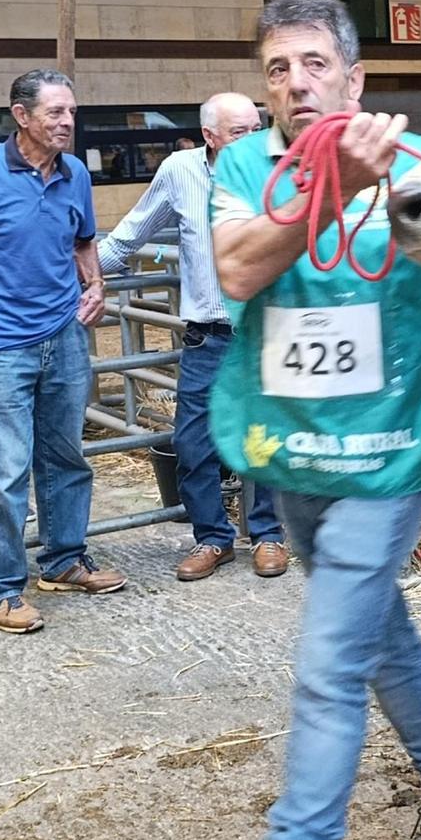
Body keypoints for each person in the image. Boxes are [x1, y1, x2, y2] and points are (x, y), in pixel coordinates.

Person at [199, 0, 421, 840]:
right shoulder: (242, 165)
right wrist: (330, 188)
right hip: (294, 456)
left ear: (353, 79)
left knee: (330, 663)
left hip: (388, 460)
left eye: (312, 64)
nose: (293, 82)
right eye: (276, 67)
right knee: (379, 641)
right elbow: (239, 269)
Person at [0, 69, 124, 635]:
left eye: (71, 113)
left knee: (65, 457)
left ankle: (62, 561)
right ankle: (1, 588)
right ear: (21, 115)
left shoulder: (76, 173)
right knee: (6, 471)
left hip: (62, 335)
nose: (66, 123)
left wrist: (96, 288)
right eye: (55, 113)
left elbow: (83, 240)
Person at [96, 91, 286, 581]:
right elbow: (129, 237)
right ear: (209, 136)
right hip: (208, 335)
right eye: (241, 131)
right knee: (193, 442)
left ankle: (267, 534)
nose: (255, 137)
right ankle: (212, 538)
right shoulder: (180, 171)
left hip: (267, 331)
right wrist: (77, 273)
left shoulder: (278, 168)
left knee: (263, 438)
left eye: (257, 126)